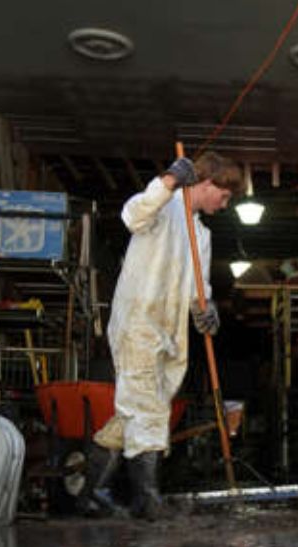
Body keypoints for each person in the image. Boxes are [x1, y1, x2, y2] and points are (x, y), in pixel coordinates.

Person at [81, 151, 241, 519]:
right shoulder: (163, 207)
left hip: (169, 333)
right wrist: (168, 180)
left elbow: (197, 289)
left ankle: (92, 491)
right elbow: (132, 214)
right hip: (139, 323)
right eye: (225, 194)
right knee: (148, 411)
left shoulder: (200, 234)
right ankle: (147, 499)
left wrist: (206, 308)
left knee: (135, 412)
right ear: (207, 182)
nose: (226, 203)